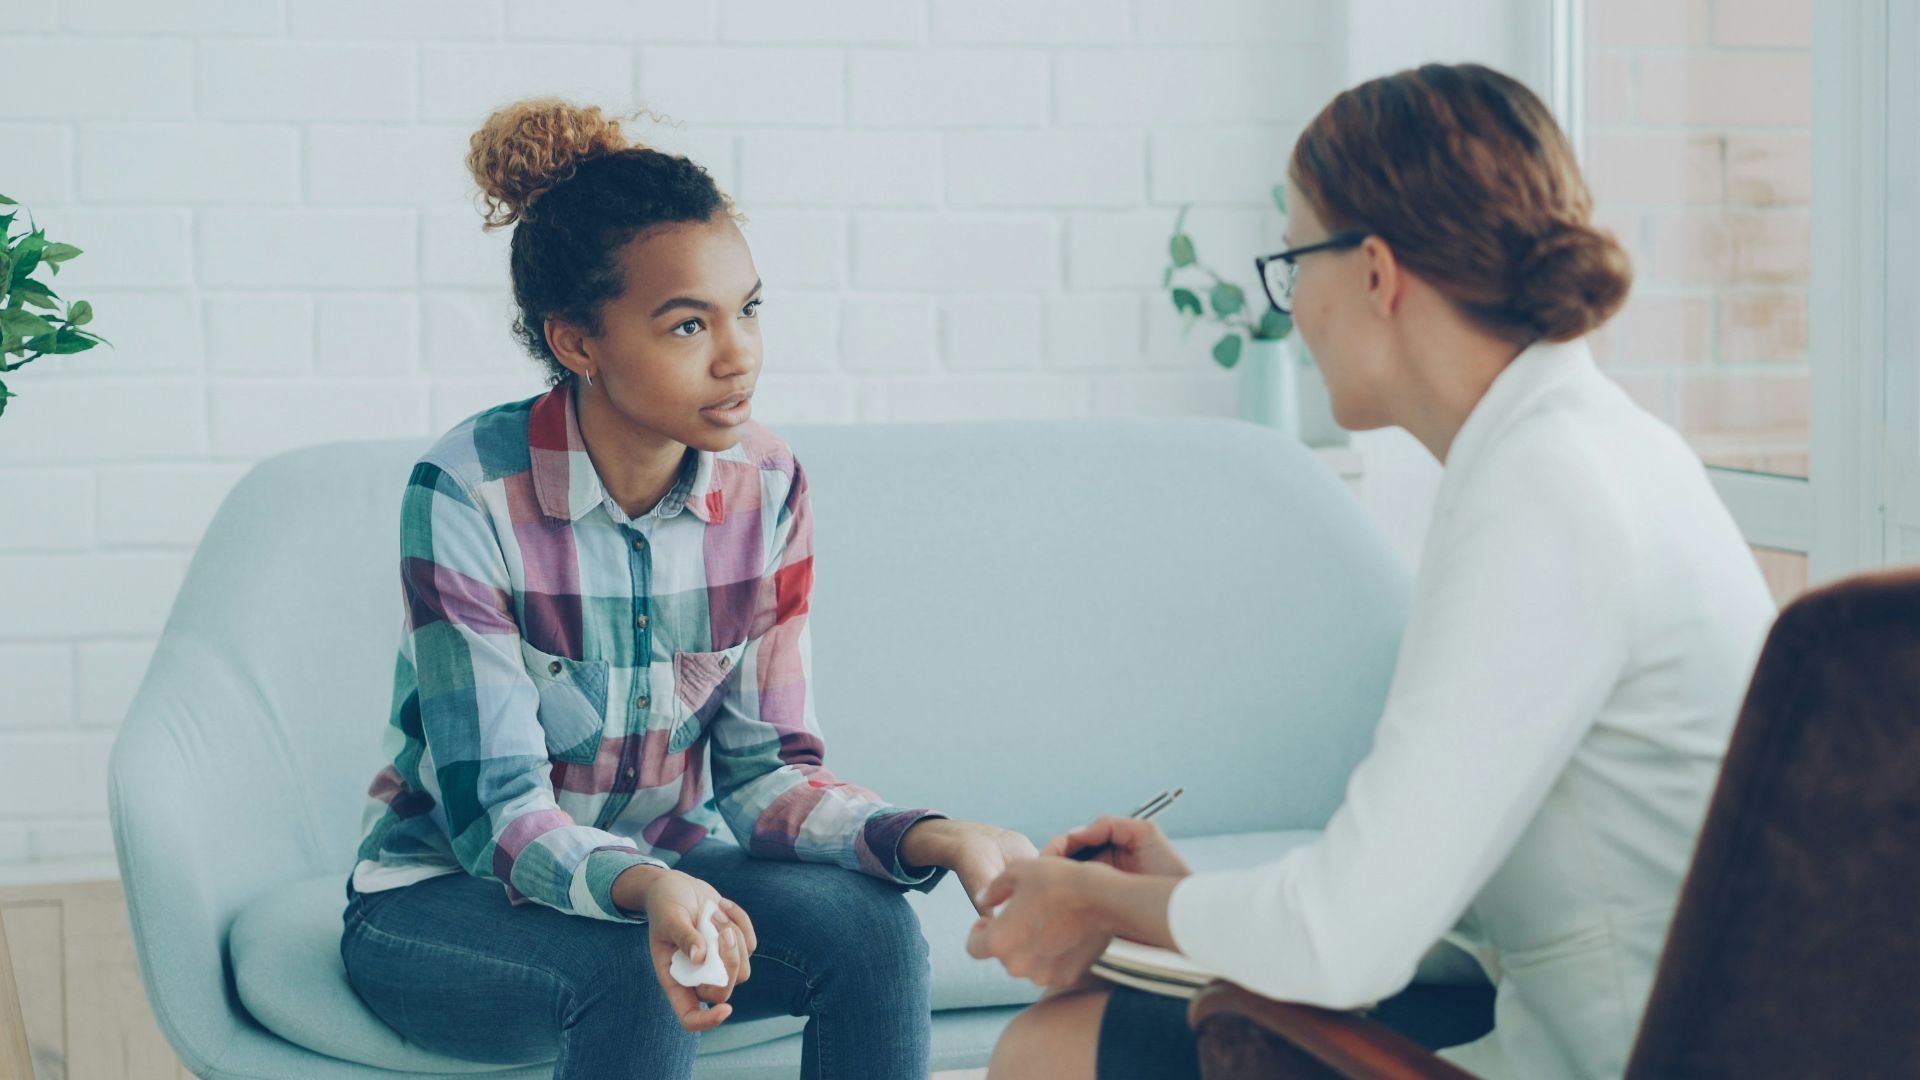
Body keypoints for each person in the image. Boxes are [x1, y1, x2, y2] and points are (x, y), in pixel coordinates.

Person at [968, 63, 1778, 1080]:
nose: (1296, 305)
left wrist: (1098, 901)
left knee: (1046, 1052)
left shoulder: (1543, 493)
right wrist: (1175, 903)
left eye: (1293, 256)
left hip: (1611, 1055)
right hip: (1652, 1019)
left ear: (1375, 272)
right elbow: (1442, 891)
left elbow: (1343, 942)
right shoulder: (1594, 449)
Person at [339, 99, 1035, 1080]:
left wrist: (929, 834)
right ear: (578, 340)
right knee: (635, 966)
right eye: (686, 324)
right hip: (441, 902)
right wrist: (648, 885)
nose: (738, 353)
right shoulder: (467, 492)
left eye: (748, 309)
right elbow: (497, 814)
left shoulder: (771, 487)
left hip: (669, 874)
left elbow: (766, 775)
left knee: (873, 933)